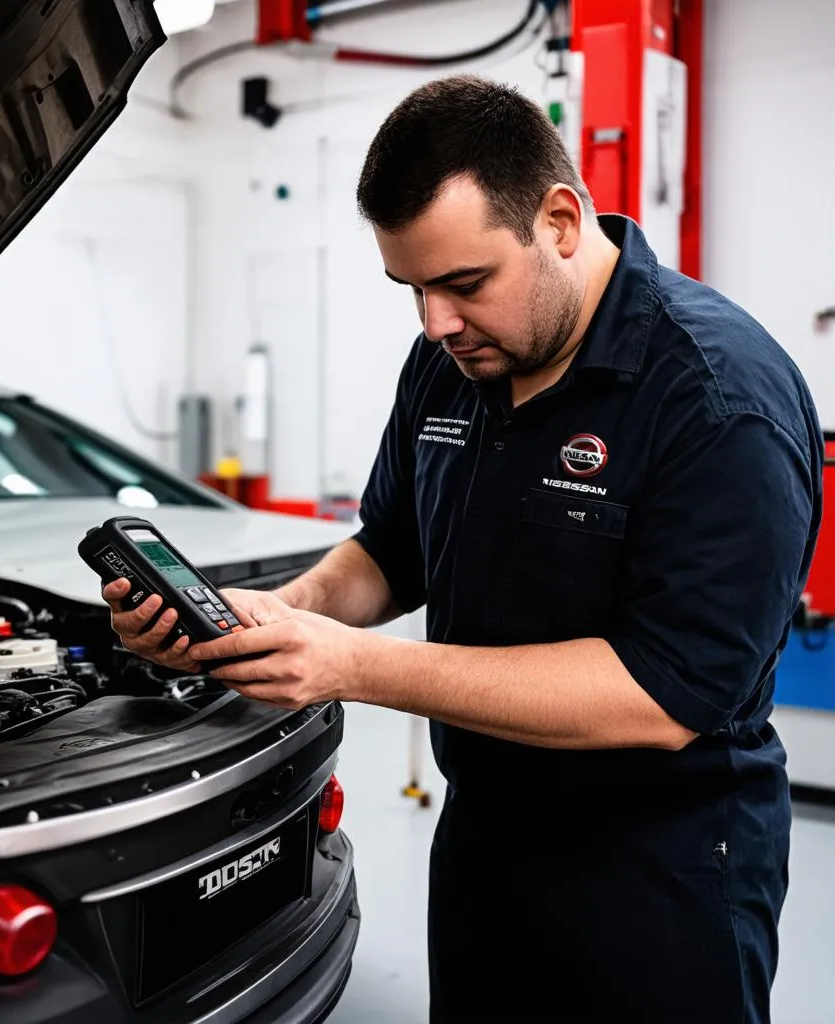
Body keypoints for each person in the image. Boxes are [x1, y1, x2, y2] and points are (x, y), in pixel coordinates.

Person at [102, 75, 823, 1023]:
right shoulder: (452, 365)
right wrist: (283, 616)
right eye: (412, 288)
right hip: (485, 840)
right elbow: (391, 549)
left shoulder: (717, 401)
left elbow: (664, 695)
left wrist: (355, 666)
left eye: (464, 283)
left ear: (560, 220)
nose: (435, 324)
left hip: (661, 871)